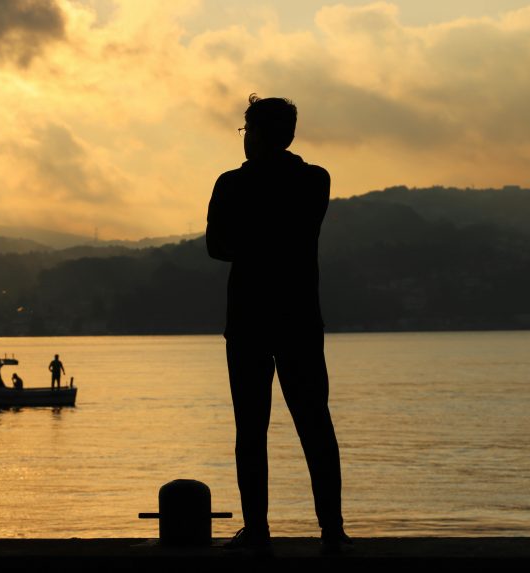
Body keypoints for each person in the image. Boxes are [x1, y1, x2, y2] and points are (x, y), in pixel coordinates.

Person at [206, 94, 350, 553]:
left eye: (249, 130)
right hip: (297, 318)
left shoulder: (232, 185)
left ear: (262, 134)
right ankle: (331, 531)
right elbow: (292, 235)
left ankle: (260, 531)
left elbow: (219, 245)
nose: (245, 139)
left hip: (252, 318)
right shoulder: (312, 181)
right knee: (313, 424)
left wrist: (249, 241)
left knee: (253, 428)